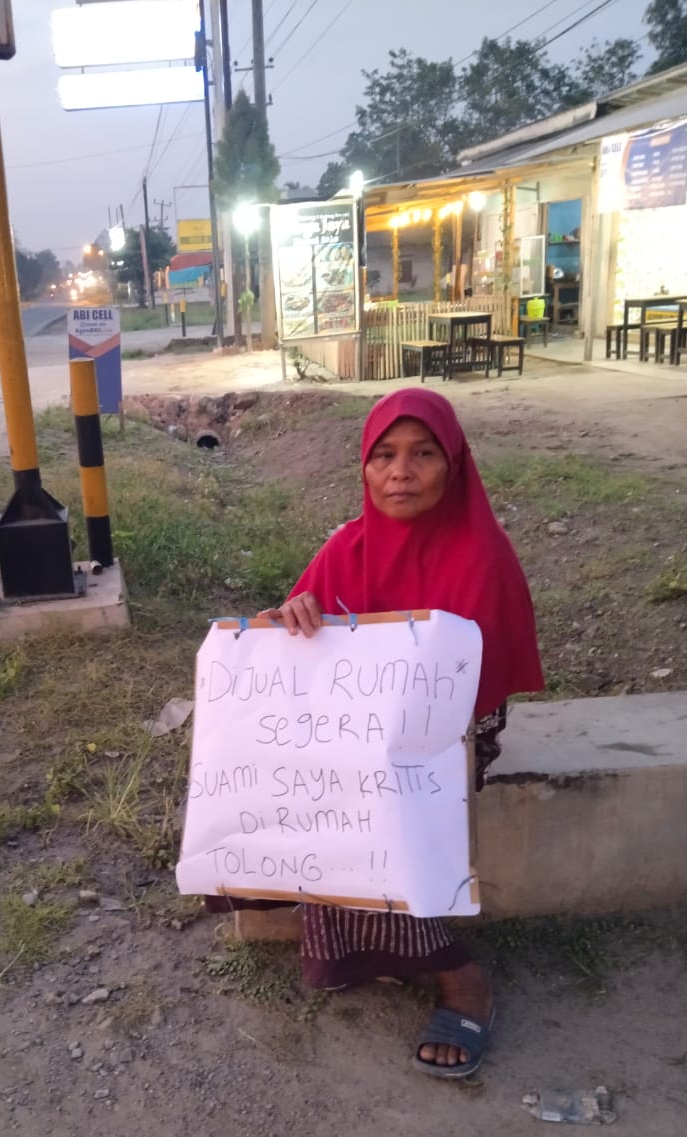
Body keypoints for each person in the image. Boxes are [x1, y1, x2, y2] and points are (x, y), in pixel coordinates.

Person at [206, 387, 544, 1079]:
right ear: (363, 468)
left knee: (366, 807)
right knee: (296, 783)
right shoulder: (347, 548)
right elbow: (294, 643)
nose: (401, 472)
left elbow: (469, 695)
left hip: (452, 736)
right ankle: (371, 945)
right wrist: (291, 616)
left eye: (423, 455)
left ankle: (459, 976)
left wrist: (371, 745)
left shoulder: (481, 554)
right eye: (384, 455)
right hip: (354, 730)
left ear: (453, 466)